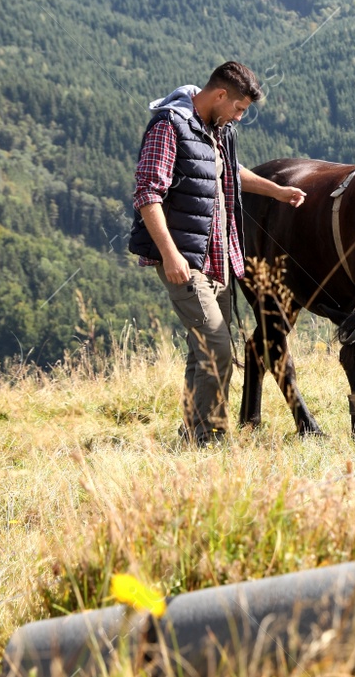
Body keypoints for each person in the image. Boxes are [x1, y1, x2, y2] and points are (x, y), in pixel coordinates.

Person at [127, 61, 306, 444]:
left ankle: (192, 432)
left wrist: (277, 191)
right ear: (220, 94)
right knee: (218, 347)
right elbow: (147, 193)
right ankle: (208, 437)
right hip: (184, 259)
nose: (240, 117)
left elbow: (229, 170)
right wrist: (171, 255)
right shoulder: (169, 126)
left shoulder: (217, 129)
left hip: (220, 257)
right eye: (239, 108)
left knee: (203, 349)